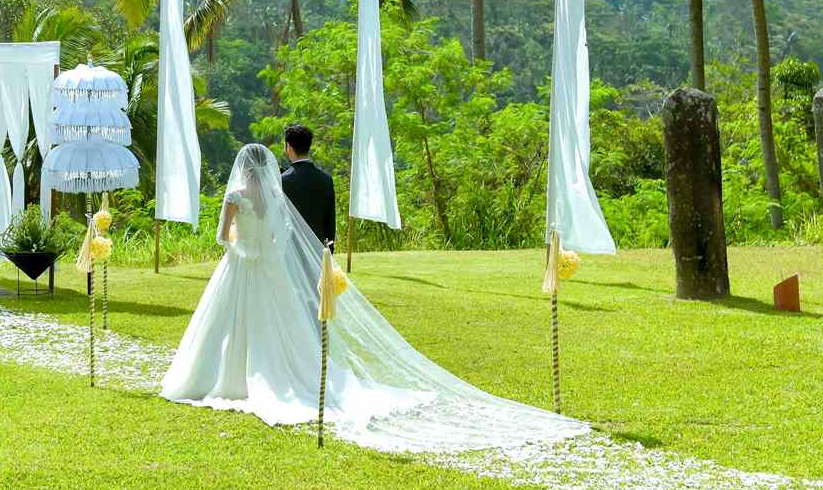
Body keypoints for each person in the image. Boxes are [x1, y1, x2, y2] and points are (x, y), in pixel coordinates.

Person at [158, 144, 590, 454]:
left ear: (241, 170)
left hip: (239, 266)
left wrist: (240, 244)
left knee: (227, 325)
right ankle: (270, 378)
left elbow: (223, 235)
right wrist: (263, 250)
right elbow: (282, 236)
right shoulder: (274, 195)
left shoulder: (235, 196)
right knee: (279, 328)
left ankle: (228, 379)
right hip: (268, 269)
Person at [278, 125, 335, 247]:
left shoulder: (282, 181)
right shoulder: (326, 179)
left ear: (288, 147)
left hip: (290, 249)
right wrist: (329, 251)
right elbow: (330, 222)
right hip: (318, 249)